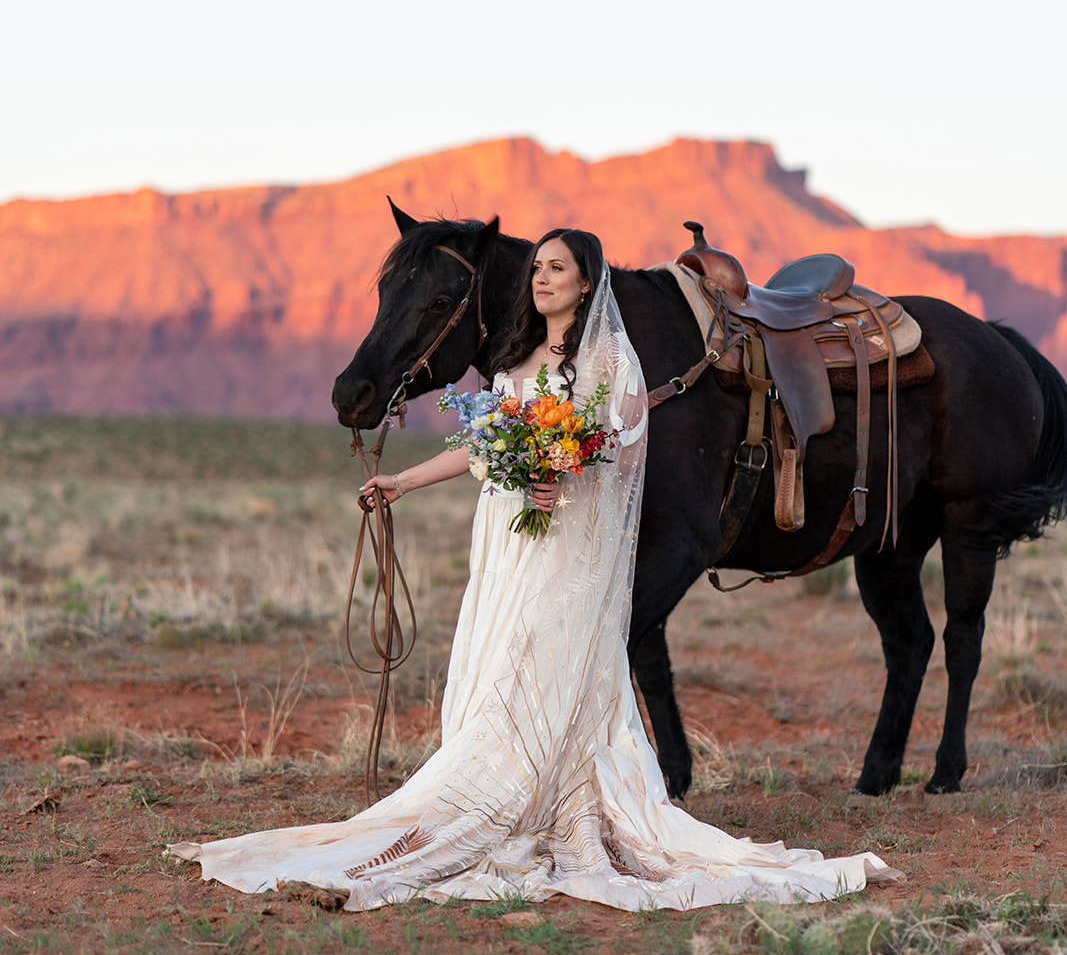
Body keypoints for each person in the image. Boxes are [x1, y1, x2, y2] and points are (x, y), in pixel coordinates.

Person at [168, 230, 898, 910]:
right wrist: (403, 483)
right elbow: (483, 443)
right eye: (537, 267)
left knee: (557, 661)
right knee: (502, 658)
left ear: (586, 285)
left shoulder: (609, 362)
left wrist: (564, 465)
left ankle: (566, 800)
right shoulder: (515, 359)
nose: (539, 278)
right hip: (508, 542)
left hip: (570, 539)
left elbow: (626, 444)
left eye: (556, 269)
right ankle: (499, 792)